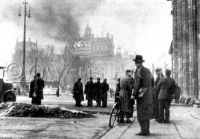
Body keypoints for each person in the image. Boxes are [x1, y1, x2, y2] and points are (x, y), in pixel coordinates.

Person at [132, 55, 153, 136]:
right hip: (148, 94)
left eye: (136, 62)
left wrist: (134, 94)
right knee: (146, 113)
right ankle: (147, 130)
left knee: (140, 113)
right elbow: (152, 81)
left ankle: (143, 131)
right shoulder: (147, 70)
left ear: (137, 63)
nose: (136, 64)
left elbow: (137, 84)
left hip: (142, 95)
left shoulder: (138, 71)